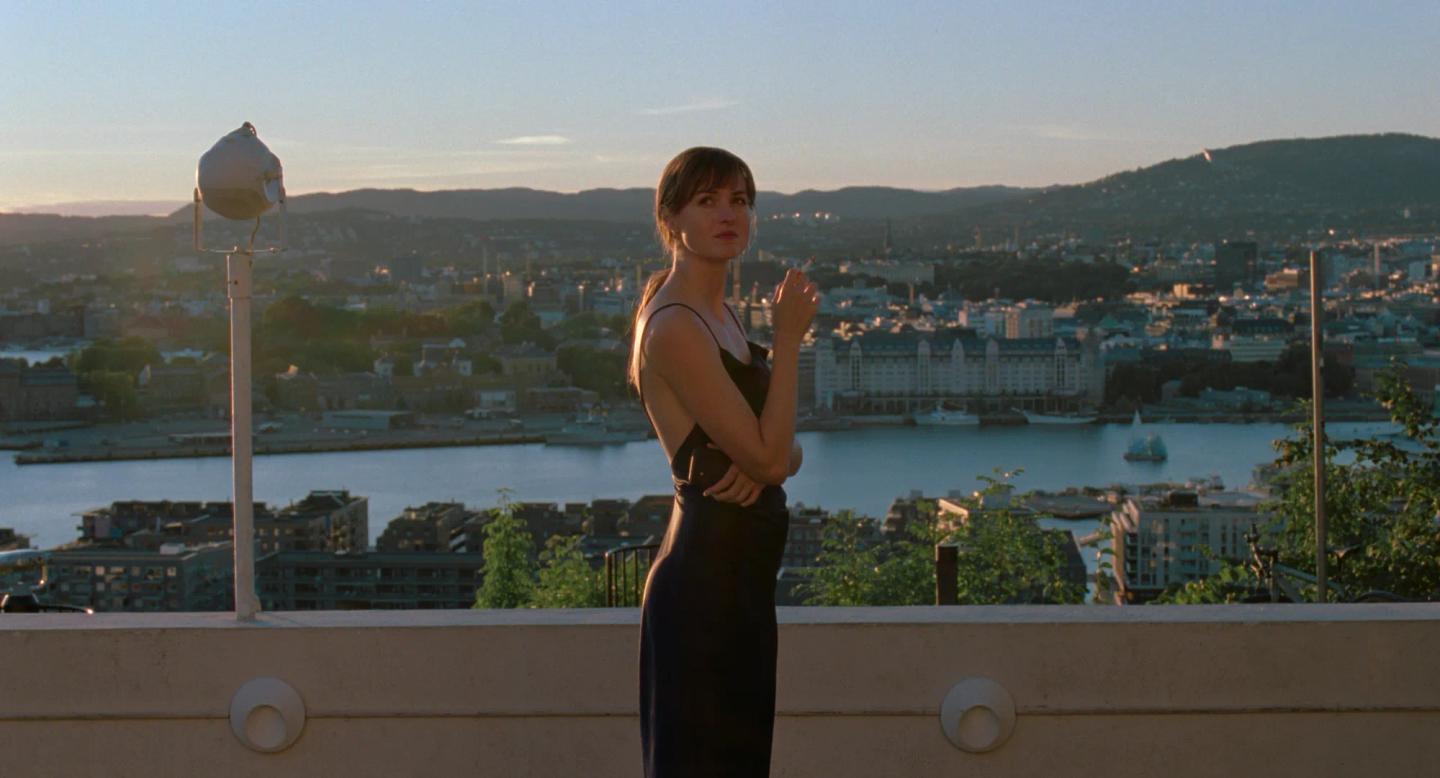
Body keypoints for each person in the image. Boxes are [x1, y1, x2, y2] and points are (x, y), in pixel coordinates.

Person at [631, 147, 819, 777]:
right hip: (700, 595)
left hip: (740, 592)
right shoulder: (677, 326)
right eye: (708, 200)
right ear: (671, 217)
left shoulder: (723, 317)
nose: (728, 213)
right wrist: (789, 339)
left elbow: (783, 451)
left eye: (740, 199)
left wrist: (772, 459)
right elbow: (772, 453)